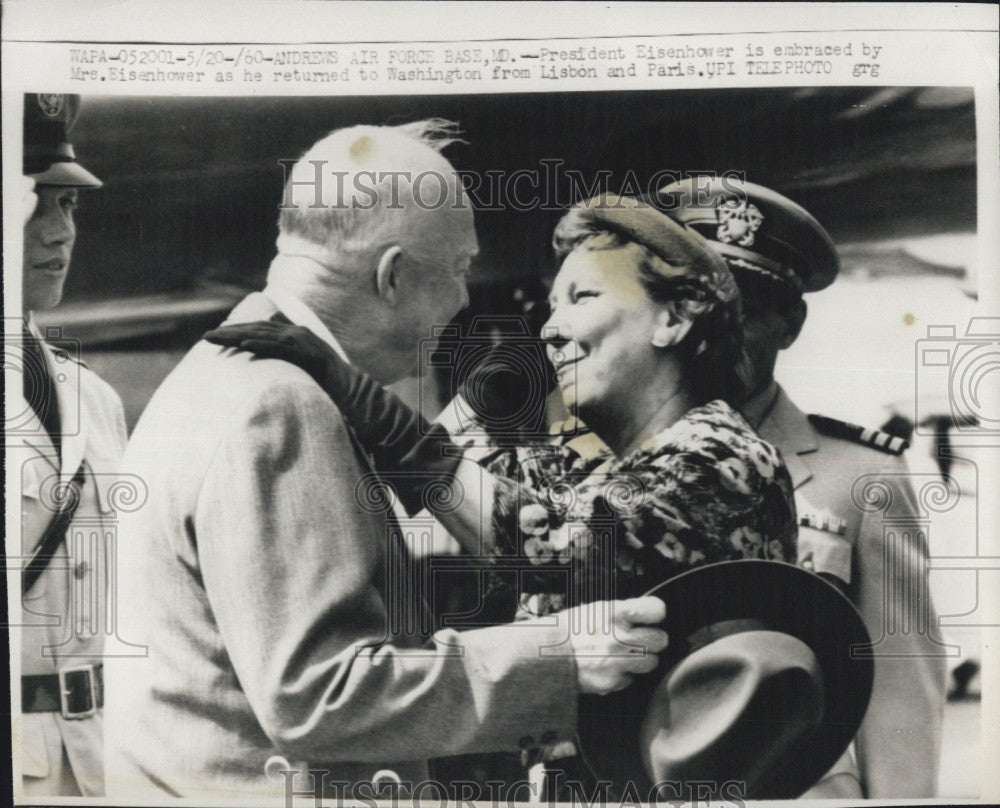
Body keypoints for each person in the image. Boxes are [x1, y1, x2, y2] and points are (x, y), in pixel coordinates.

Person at [105, 121, 669, 800]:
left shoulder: (227, 378)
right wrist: (559, 659)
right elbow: (319, 695)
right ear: (393, 275)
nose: (466, 297)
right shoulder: (280, 403)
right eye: (459, 268)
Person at [206, 192, 801, 794]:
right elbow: (444, 502)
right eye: (551, 306)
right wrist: (477, 403)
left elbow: (548, 547)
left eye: (583, 297)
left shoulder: (723, 454)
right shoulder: (601, 466)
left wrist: (372, 408)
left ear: (674, 317)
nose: (549, 326)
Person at [656, 177, 947, 798]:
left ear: (790, 323)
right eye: (697, 307)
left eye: (744, 313)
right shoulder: (613, 467)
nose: (716, 334)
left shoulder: (862, 480)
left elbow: (899, 699)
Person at [14, 93, 128, 797]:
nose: (61, 234)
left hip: (105, 758)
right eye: (39, 204)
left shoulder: (96, 399)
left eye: (71, 207)